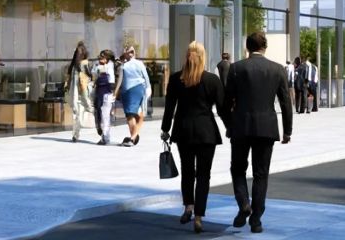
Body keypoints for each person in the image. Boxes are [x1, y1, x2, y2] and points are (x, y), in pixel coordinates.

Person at [224, 31, 293, 234]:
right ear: (265, 47)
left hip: (241, 127)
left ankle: (244, 204)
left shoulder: (236, 68)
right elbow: (286, 103)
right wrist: (287, 130)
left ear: (247, 47)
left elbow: (226, 102)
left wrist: (229, 125)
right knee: (261, 174)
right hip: (266, 128)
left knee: (238, 169)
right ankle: (256, 220)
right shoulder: (277, 69)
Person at [161, 41, 231, 235]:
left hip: (183, 130)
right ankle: (199, 216)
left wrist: (165, 129)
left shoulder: (176, 79)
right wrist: (230, 127)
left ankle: (188, 207)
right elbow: (222, 108)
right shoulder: (212, 80)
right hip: (206, 132)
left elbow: (169, 108)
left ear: (187, 56)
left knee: (187, 171)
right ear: (203, 57)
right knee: (203, 175)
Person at [118, 47, 151, 146]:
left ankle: (132, 138)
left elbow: (145, 76)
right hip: (138, 89)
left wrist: (148, 87)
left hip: (130, 90)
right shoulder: (125, 65)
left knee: (130, 114)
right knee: (139, 114)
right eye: (129, 51)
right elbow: (146, 77)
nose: (132, 53)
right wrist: (148, 88)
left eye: (132, 51)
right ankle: (134, 136)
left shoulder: (125, 65)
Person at [66, 43, 93, 143]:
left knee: (86, 110)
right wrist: (67, 87)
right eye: (77, 52)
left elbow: (90, 77)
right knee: (76, 113)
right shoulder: (73, 66)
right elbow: (69, 78)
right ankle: (75, 135)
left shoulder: (84, 63)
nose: (78, 54)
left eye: (79, 52)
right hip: (75, 92)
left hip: (84, 92)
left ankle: (101, 130)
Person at [93, 49, 119, 145]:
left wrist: (115, 93)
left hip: (107, 92)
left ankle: (105, 136)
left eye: (102, 56)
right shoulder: (98, 66)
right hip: (99, 92)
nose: (100, 58)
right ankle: (104, 135)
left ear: (107, 58)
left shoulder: (111, 66)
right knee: (100, 114)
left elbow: (113, 81)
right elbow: (94, 74)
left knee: (105, 115)